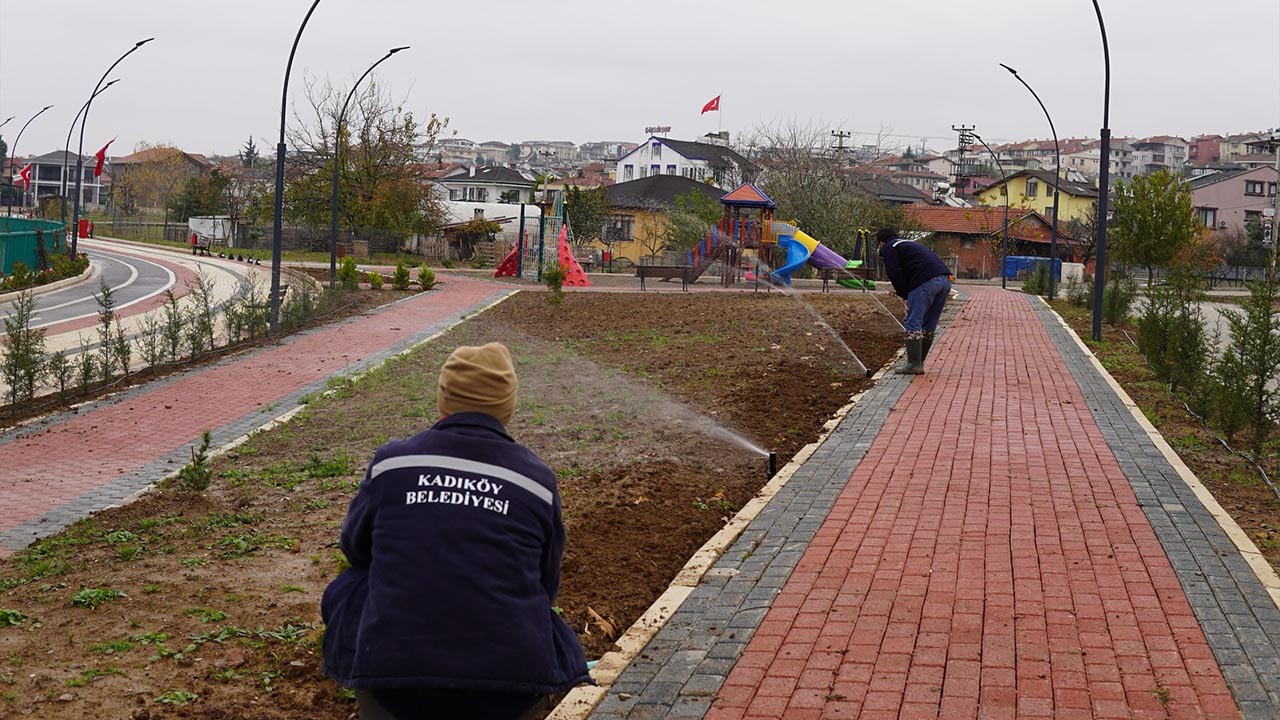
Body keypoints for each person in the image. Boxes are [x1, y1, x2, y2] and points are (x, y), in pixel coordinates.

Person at [322, 342, 590, 720]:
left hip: (397, 687)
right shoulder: (537, 481)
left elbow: (355, 550)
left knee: (350, 586)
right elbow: (546, 582)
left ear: (443, 399)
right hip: (509, 690)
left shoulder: (392, 464)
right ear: (507, 408)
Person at [876, 227, 952, 374]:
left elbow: (895, 273)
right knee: (929, 323)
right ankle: (919, 362)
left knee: (912, 321)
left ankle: (914, 364)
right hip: (945, 280)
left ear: (881, 243)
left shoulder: (890, 248)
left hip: (925, 282)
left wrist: (904, 296)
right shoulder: (909, 244)